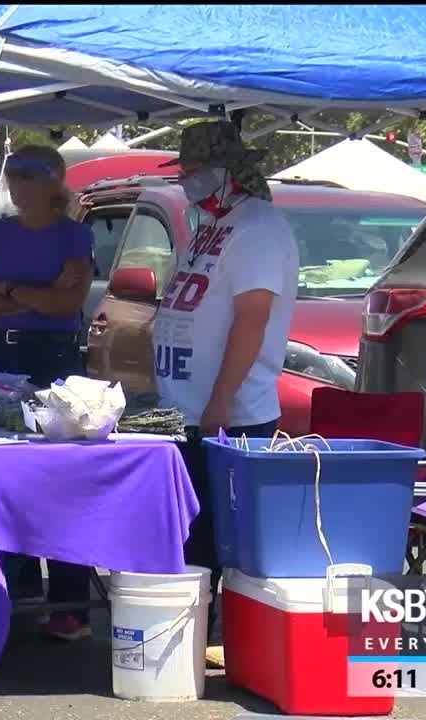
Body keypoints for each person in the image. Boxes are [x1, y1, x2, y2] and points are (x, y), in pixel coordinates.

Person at [152, 121, 300, 667]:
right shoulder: (208, 224)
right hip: (184, 408)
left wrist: (220, 401)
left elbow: (251, 321)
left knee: (219, 532)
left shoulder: (258, 227)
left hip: (227, 414)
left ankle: (220, 638)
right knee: (193, 529)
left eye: (194, 172)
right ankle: (191, 631)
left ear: (225, 173)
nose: (186, 181)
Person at [0, 144, 97, 642]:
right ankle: (13, 588)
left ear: (53, 182)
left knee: (62, 478)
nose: (16, 184)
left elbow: (68, 302)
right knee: (4, 471)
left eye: (27, 174)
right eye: (11, 174)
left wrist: (10, 290)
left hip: (56, 359)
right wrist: (32, 295)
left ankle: (69, 603)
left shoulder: (74, 235)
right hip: (2, 355)